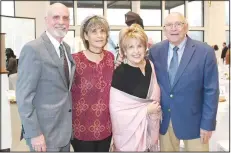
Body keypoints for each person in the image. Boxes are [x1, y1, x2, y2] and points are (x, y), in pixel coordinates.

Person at [115, 12, 219, 151]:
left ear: (186, 27)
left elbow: (211, 90)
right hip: (164, 120)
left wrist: (208, 124)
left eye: (178, 24)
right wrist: (120, 62)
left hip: (195, 122)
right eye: (169, 25)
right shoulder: (156, 51)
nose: (173, 28)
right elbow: (139, 65)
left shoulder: (205, 51)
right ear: (164, 29)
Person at [16, 3, 76, 152]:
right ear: (46, 20)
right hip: (43, 135)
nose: (61, 22)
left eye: (66, 18)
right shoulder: (33, 49)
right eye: (56, 17)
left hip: (64, 133)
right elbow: (24, 97)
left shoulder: (66, 49)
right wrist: (34, 133)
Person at [110, 24, 162, 151]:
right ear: (124, 51)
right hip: (130, 139)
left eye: (139, 46)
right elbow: (117, 111)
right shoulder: (120, 72)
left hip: (151, 130)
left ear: (145, 47)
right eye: (131, 47)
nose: (136, 51)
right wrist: (145, 110)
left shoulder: (150, 65)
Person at [71, 15, 114, 152]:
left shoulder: (111, 58)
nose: (99, 35)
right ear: (86, 35)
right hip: (81, 129)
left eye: (102, 31)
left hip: (106, 127)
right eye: (94, 31)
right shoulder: (75, 60)